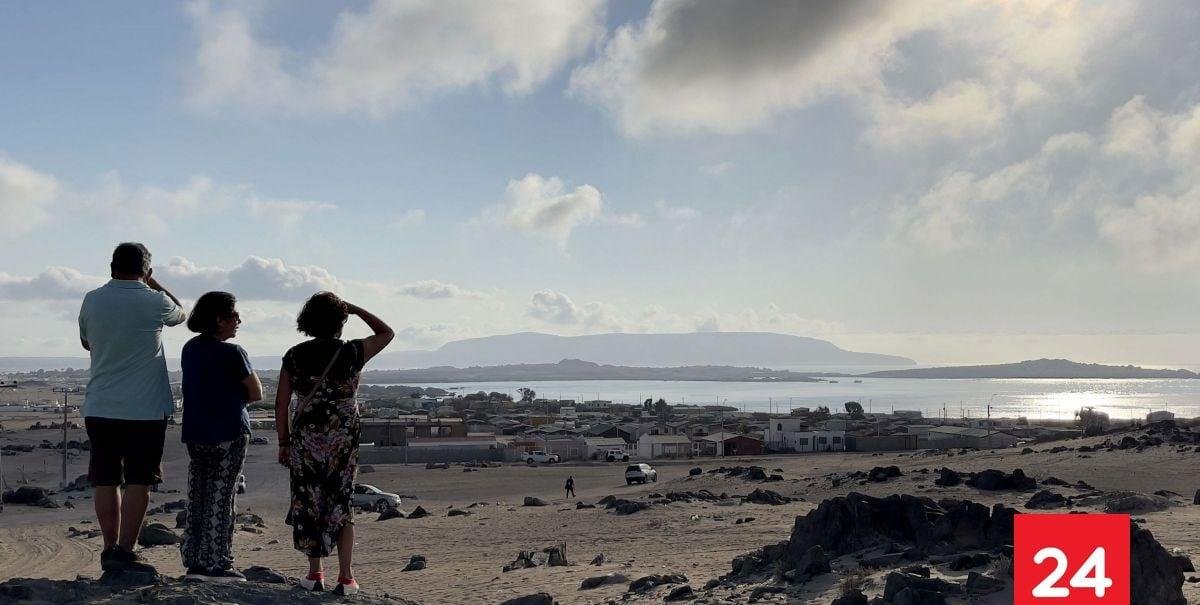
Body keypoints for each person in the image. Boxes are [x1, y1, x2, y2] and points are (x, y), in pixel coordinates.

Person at [78, 242, 186, 574]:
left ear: (112, 266)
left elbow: (87, 343)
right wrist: (154, 284)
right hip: (146, 408)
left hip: (101, 403)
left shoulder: (92, 299)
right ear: (146, 270)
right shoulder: (154, 300)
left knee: (105, 480)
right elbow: (181, 314)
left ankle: (109, 548)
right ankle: (127, 549)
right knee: (139, 479)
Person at [275, 292, 393, 595]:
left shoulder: (294, 354)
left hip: (305, 437)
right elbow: (386, 332)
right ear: (341, 320)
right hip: (343, 436)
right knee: (340, 499)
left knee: (308, 499)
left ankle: (315, 574)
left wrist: (284, 442)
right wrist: (355, 308)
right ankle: (346, 576)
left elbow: (282, 403)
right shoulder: (352, 352)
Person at [179, 292, 262, 583]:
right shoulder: (233, 353)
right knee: (222, 498)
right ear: (219, 319)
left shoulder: (190, 349)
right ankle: (217, 563)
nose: (238, 320)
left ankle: (195, 560)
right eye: (233, 315)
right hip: (229, 432)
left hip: (196, 433)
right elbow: (256, 393)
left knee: (198, 495)